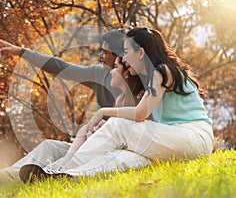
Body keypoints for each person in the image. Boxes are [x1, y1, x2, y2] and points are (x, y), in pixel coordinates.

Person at [19, 26, 214, 180]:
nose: (124, 58)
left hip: (194, 136)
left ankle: (61, 168)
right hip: (176, 139)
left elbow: (139, 114)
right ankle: (69, 176)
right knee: (127, 158)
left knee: (119, 125)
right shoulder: (151, 78)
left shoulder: (162, 71)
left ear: (141, 53)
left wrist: (103, 112)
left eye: (127, 51)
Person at [0, 29, 130, 184]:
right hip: (90, 144)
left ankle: (26, 176)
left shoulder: (137, 85)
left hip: (110, 150)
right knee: (49, 146)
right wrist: (21, 52)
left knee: (63, 159)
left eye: (105, 52)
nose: (100, 55)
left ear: (119, 57)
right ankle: (3, 177)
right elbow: (61, 67)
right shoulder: (99, 73)